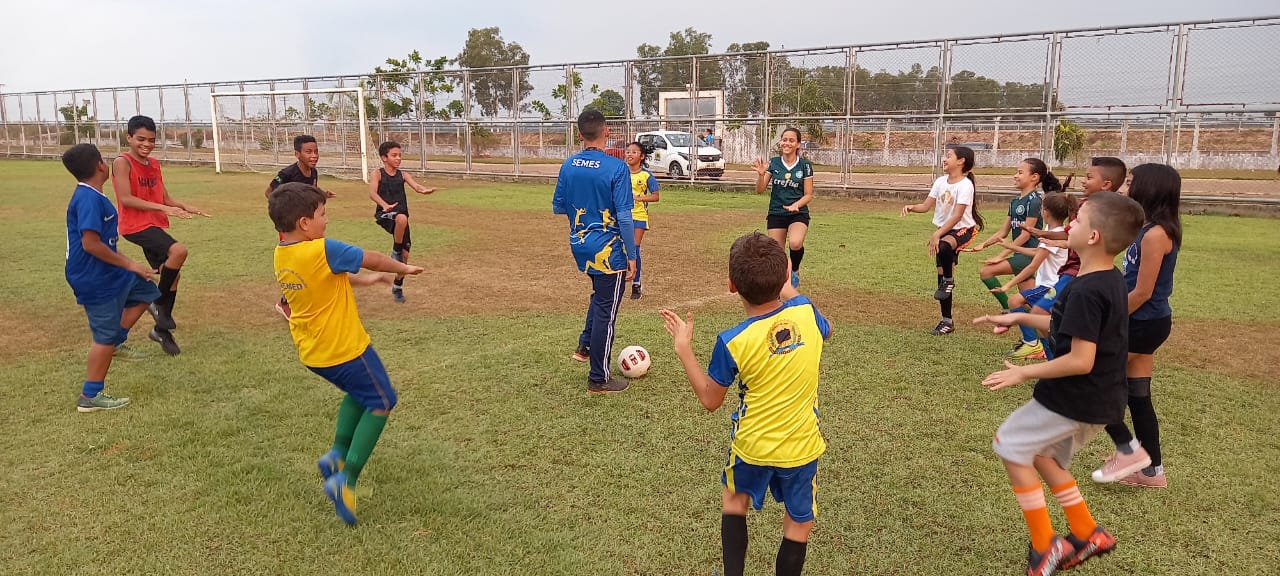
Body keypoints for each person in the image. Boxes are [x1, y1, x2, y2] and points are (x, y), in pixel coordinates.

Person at [973, 191, 1146, 576]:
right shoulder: (1105, 278)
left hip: (1074, 398)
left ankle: (1045, 544)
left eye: (1078, 222)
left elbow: (1081, 360)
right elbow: (1067, 329)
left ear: (1094, 237)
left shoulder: (1087, 289)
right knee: (1042, 456)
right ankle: (1087, 533)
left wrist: (1024, 371)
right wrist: (1020, 319)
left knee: (1009, 445)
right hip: (1098, 399)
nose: (1070, 227)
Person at [659, 232, 830, 576]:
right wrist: (784, 281)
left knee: (734, 503)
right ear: (786, 276)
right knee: (798, 525)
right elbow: (824, 327)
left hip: (752, 446)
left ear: (732, 285)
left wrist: (683, 348)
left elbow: (710, 399)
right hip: (802, 447)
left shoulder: (732, 340)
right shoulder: (808, 314)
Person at [268, 181, 423, 525]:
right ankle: (345, 480)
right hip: (345, 349)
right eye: (322, 214)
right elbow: (374, 257)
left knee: (360, 393)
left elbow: (325, 277)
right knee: (382, 401)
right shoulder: (322, 248)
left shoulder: (284, 253)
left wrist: (365, 282)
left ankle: (335, 456)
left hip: (315, 352)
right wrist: (403, 268)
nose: (326, 220)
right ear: (304, 223)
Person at [1091, 163, 1183, 489]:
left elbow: (1142, 292)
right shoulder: (1147, 228)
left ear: (1150, 188)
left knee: (1092, 383)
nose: (1124, 186)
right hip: (1146, 322)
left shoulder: (1157, 234)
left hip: (1142, 323)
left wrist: (1110, 319)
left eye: (1130, 182)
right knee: (1138, 397)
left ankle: (1129, 453)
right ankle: (1152, 472)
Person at [62, 143, 163, 411]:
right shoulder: (88, 198)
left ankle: (116, 341)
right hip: (92, 275)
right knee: (103, 336)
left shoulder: (95, 194)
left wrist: (130, 268)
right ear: (100, 166)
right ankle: (90, 395)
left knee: (146, 291)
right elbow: (90, 244)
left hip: (108, 269)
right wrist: (130, 263)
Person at [552, 109, 637, 394]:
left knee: (599, 297)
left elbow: (560, 206)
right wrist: (632, 255)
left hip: (580, 244)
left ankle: (585, 345)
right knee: (607, 309)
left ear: (579, 135)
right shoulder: (617, 168)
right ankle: (598, 378)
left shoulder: (568, 165)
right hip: (608, 249)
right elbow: (625, 217)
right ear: (607, 132)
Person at [111, 115, 210, 356]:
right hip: (135, 226)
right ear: (129, 138)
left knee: (172, 275)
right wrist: (165, 210)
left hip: (152, 223)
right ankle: (157, 304)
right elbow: (125, 198)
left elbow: (164, 198)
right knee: (179, 251)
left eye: (152, 140)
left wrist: (184, 206)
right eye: (141, 139)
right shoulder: (122, 162)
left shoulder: (154, 165)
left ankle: (160, 330)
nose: (146, 144)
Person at [967, 158, 1060, 357]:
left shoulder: (1035, 201)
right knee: (1034, 305)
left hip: (1031, 254)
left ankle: (1010, 317)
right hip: (1020, 253)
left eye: (1020, 172)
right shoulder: (1015, 201)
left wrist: (1000, 256)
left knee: (987, 272)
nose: (1015, 176)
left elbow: (1026, 235)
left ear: (1034, 178)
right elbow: (1002, 232)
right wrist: (982, 246)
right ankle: (1043, 343)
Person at [1021, 158, 1127, 329]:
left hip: (1076, 273)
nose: (1084, 181)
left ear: (1106, 184)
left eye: (1089, 177)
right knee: (1060, 315)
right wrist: (1044, 234)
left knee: (1041, 313)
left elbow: (1079, 237)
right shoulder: (1092, 205)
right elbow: (1071, 234)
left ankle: (1054, 352)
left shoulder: (1099, 210)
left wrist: (1054, 239)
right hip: (1076, 272)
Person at [901, 145, 984, 335]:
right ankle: (947, 321)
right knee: (941, 277)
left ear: (961, 161)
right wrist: (912, 207)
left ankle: (949, 279)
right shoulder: (940, 182)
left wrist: (937, 235)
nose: (944, 159)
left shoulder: (965, 185)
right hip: (945, 230)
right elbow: (926, 206)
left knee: (945, 246)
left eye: (949, 156)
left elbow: (957, 216)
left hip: (963, 229)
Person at [989, 192, 1078, 360]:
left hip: (1052, 286)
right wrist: (1011, 247)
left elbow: (1033, 265)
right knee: (1042, 324)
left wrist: (1007, 285)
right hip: (1052, 284)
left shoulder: (1055, 233)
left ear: (1045, 212)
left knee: (1015, 301)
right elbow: (1037, 252)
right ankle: (1050, 358)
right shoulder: (1053, 232)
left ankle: (1031, 343)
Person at [265, 135, 335, 319]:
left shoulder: (313, 173)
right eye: (309, 152)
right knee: (294, 261)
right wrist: (287, 211)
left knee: (310, 258)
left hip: (308, 226)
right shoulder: (287, 174)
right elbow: (269, 192)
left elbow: (309, 194)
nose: (314, 155)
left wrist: (322, 193)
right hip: (290, 226)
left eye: (316, 151)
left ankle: (308, 297)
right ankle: (285, 302)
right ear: (297, 154)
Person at [369, 140, 436, 304]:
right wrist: (384, 205)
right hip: (385, 215)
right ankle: (395, 249)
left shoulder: (403, 175)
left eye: (400, 155)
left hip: (402, 221)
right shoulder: (377, 173)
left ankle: (397, 287)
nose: (398, 158)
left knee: (404, 259)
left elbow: (417, 187)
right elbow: (372, 193)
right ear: (384, 158)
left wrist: (425, 190)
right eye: (394, 155)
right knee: (400, 217)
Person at [753, 127, 813, 288]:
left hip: (797, 213)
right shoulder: (774, 163)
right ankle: (781, 287)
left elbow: (808, 194)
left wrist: (796, 205)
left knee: (795, 242)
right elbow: (759, 190)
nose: (787, 143)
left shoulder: (805, 166)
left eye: (791, 140)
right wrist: (760, 175)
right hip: (776, 213)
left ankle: (795, 269)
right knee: (777, 255)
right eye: (784, 139)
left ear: (798, 144)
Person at [623, 141, 659, 300]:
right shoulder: (621, 172)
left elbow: (656, 196)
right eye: (628, 151)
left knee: (634, 248)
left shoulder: (646, 175)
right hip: (622, 215)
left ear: (642, 156)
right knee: (619, 247)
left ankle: (636, 284)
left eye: (634, 152)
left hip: (638, 216)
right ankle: (620, 278)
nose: (629, 154)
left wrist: (639, 198)